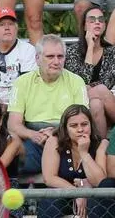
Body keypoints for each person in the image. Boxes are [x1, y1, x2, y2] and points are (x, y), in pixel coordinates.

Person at [30, 104, 115, 218]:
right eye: (74, 125)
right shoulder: (54, 141)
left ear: (91, 124)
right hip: (64, 195)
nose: (80, 129)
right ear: (65, 127)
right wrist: (77, 191)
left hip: (91, 200)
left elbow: (100, 181)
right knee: (49, 199)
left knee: (97, 198)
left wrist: (84, 152)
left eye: (84, 124)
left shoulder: (100, 144)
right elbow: (49, 178)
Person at [7, 35, 88, 175]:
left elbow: (82, 121)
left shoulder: (76, 81)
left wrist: (56, 133)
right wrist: (33, 135)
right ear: (37, 59)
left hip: (67, 139)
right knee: (12, 145)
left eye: (60, 56)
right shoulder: (22, 82)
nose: (56, 61)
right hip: (34, 139)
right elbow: (13, 124)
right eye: (50, 56)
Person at [64, 5, 115, 137]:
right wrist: (90, 47)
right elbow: (80, 83)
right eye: (92, 20)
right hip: (77, 101)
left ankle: (100, 147)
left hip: (105, 105)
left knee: (97, 100)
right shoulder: (72, 52)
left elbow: (107, 82)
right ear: (84, 26)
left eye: (101, 20)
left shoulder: (113, 52)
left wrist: (88, 87)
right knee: (97, 98)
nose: (97, 22)